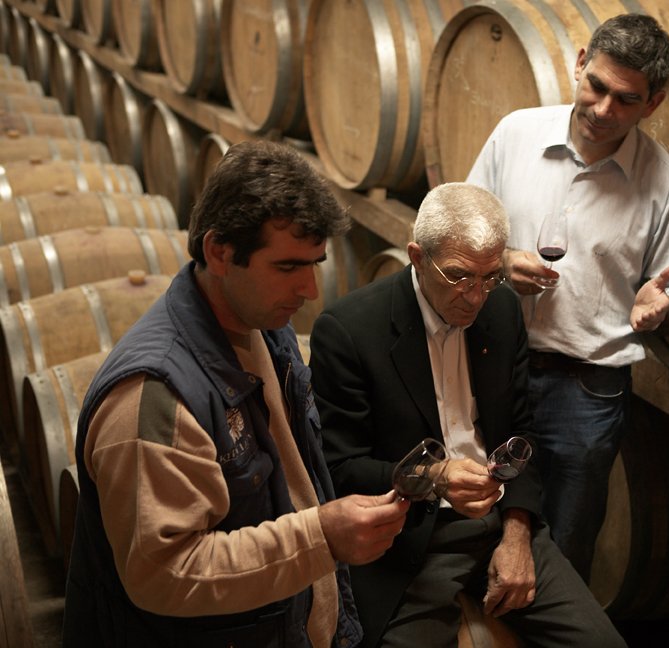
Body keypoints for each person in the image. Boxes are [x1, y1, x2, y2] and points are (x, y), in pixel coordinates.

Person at [62, 140, 410, 647]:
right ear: (219, 253)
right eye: (288, 267)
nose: (311, 289)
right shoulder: (153, 395)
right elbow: (164, 573)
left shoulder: (267, 328)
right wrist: (319, 537)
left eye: (315, 263)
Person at [309, 182, 628, 648]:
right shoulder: (350, 330)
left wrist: (517, 533)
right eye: (459, 276)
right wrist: (434, 477)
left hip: (501, 520)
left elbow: (521, 433)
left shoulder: (502, 309)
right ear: (417, 257)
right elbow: (339, 469)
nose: (475, 297)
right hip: (408, 536)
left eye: (489, 277)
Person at [465, 12, 669, 581]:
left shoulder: (667, 185)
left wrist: (662, 308)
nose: (603, 109)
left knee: (565, 545)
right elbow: (460, 232)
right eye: (596, 86)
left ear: (654, 103)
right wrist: (501, 262)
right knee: (472, 522)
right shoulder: (515, 134)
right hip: (486, 364)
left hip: (587, 391)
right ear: (579, 63)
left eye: (626, 99)